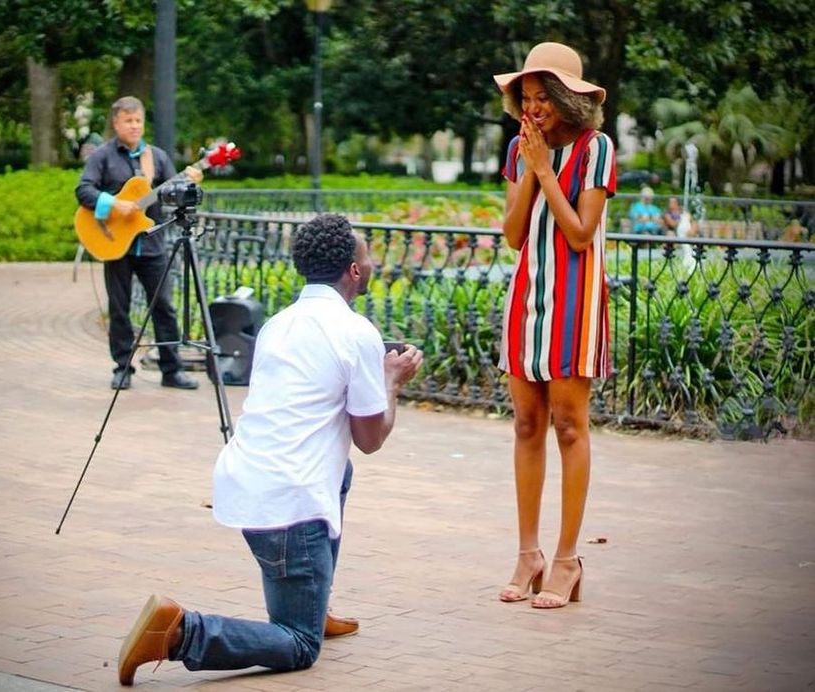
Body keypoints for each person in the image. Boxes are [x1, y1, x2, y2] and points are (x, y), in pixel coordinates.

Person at [116, 213, 423, 686]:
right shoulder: (356, 332)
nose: (373, 261)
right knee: (299, 645)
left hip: (246, 484)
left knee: (340, 474)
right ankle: (180, 632)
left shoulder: (280, 322)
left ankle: (314, 603)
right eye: (367, 256)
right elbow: (369, 440)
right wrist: (391, 382)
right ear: (354, 271)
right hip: (289, 510)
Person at [493, 42, 616, 609]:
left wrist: (546, 171)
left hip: (576, 301)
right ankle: (528, 554)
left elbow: (580, 233)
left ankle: (567, 560)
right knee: (525, 425)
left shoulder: (596, 149)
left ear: (569, 98)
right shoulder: (520, 146)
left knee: (569, 427)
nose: (535, 106)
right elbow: (515, 235)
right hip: (529, 297)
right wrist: (529, 164)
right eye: (528, 96)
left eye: (545, 97)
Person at [75, 95, 201, 391]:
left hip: (152, 242)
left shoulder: (156, 157)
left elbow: (171, 194)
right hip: (115, 245)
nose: (134, 126)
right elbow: (83, 190)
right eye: (128, 121)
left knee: (164, 307)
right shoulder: (102, 156)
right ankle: (123, 368)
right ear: (116, 123)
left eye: (138, 121)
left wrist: (190, 182)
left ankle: (172, 370)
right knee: (119, 309)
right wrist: (112, 205)